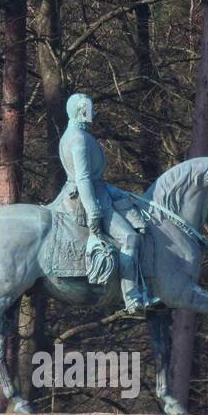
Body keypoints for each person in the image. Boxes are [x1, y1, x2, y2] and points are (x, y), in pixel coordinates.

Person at [58, 93, 156, 312]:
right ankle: (131, 297)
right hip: (90, 199)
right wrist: (94, 210)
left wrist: (119, 193)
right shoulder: (78, 139)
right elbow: (83, 178)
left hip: (98, 191)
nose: (93, 112)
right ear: (80, 111)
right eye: (89, 109)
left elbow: (94, 179)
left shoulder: (75, 134)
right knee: (129, 237)